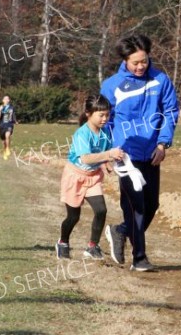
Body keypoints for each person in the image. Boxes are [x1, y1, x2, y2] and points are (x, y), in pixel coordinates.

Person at [101, 34, 179, 272]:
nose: (140, 66)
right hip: (125, 155)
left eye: (143, 61)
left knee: (152, 205)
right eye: (135, 62)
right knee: (135, 207)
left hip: (152, 152)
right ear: (125, 60)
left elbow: (171, 111)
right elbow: (103, 120)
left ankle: (121, 231)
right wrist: (107, 152)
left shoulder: (161, 80)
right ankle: (140, 258)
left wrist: (163, 144)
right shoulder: (111, 85)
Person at [56, 95, 125, 260]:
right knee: (73, 217)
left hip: (93, 177)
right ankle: (63, 242)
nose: (105, 118)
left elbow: (104, 156)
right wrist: (109, 154)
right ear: (88, 113)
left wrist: (110, 165)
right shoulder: (82, 134)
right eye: (101, 115)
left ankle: (92, 247)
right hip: (75, 177)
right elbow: (86, 158)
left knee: (101, 210)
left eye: (107, 115)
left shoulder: (105, 132)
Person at [0, 95, 17, 160]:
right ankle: (5, 150)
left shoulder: (11, 108)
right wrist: (0, 110)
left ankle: (8, 148)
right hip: (2, 125)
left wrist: (15, 121)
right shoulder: (1, 107)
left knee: (7, 135)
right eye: (5, 99)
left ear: (9, 100)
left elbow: (13, 115)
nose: (6, 100)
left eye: (7, 99)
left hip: (9, 125)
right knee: (3, 141)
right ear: (3, 100)